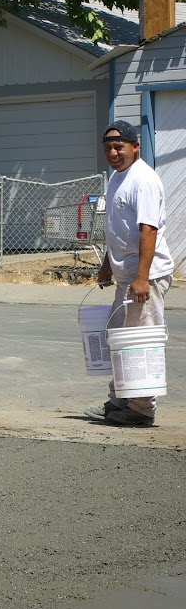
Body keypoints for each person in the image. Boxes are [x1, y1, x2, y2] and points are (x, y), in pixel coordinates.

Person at [84, 120, 174, 427]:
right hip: (127, 276)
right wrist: (108, 264)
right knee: (120, 340)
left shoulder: (143, 181)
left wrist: (141, 278)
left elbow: (147, 231)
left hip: (144, 277)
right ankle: (120, 400)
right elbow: (119, 229)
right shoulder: (118, 177)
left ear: (135, 147)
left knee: (139, 343)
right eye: (108, 147)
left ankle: (140, 409)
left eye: (119, 146)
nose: (113, 152)